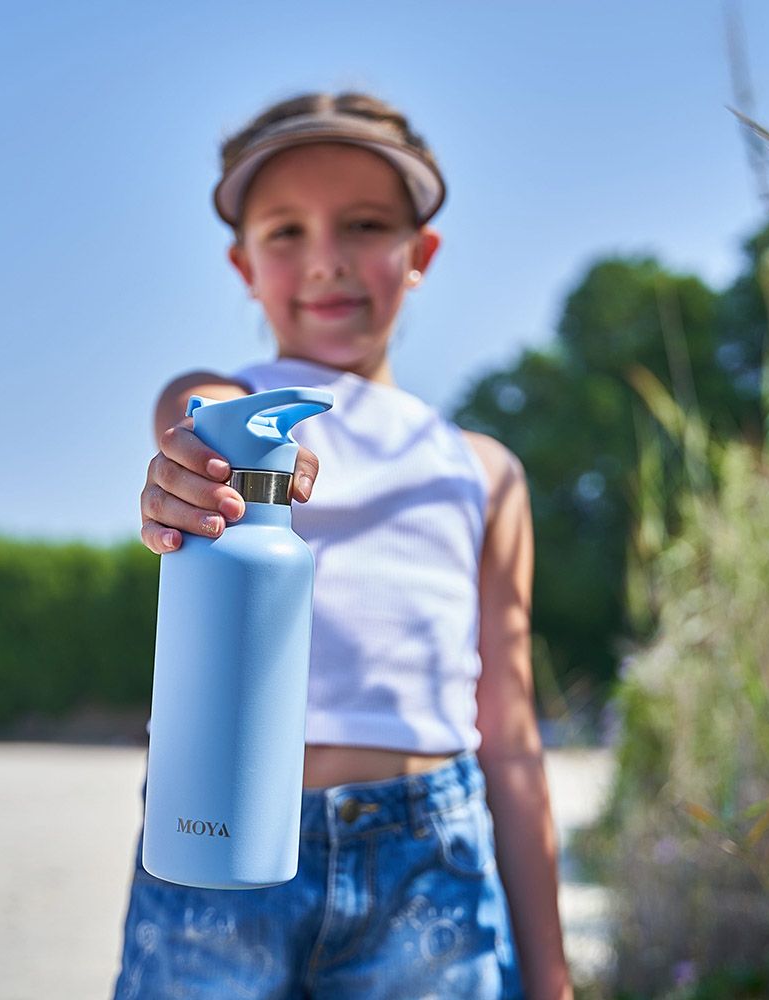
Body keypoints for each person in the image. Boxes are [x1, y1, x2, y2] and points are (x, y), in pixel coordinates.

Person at [114, 91, 572, 1000]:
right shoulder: (218, 408)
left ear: (420, 255)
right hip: (208, 841)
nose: (325, 260)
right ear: (243, 266)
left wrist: (551, 974)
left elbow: (512, 741)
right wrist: (197, 459)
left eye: (365, 225)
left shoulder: (484, 472)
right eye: (286, 232)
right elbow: (193, 420)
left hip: (428, 861)